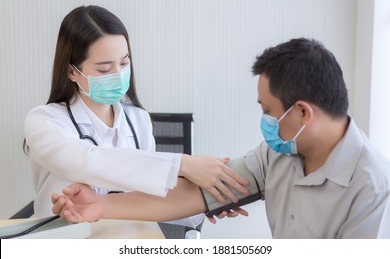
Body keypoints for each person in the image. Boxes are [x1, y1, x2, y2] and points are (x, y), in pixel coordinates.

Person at [52, 37, 390, 238]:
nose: (266, 121)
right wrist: (100, 205)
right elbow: (195, 194)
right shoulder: (279, 154)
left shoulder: (373, 188)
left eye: (269, 110)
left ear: (303, 112)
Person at [24, 5, 249, 226]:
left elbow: (146, 201)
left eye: (124, 62)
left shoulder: (138, 120)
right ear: (72, 71)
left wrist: (207, 200)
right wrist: (183, 164)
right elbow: (86, 161)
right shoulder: (44, 121)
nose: (118, 74)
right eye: (104, 69)